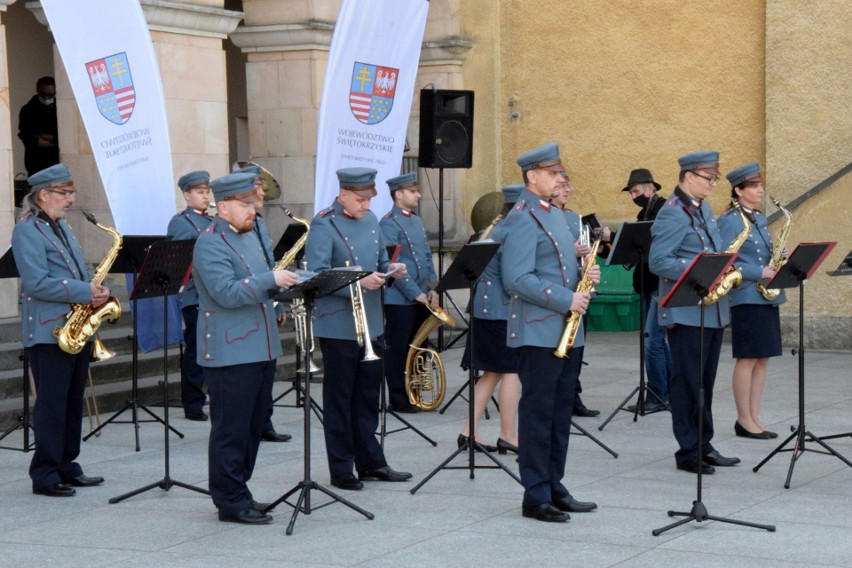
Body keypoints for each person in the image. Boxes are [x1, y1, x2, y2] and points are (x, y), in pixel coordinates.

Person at [193, 171, 301, 525]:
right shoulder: (209, 242)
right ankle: (229, 500)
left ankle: (241, 490)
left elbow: (262, 278)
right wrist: (271, 281)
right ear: (222, 207)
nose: (253, 210)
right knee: (232, 428)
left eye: (253, 204)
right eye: (245, 205)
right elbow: (226, 292)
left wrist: (279, 300)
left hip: (261, 345)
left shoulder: (252, 234)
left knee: (254, 424)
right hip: (230, 350)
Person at [501, 143, 599, 522]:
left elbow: (557, 267)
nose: (561, 179)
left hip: (567, 329)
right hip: (539, 331)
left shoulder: (555, 215)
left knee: (560, 413)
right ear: (533, 176)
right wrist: (565, 298)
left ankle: (555, 485)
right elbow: (517, 279)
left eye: (560, 173)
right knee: (539, 413)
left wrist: (584, 277)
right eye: (554, 173)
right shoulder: (522, 217)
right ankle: (535, 494)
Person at [304, 167, 412, 491]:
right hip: (338, 325)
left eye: (369, 198)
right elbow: (318, 275)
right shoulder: (324, 224)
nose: (366, 205)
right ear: (343, 195)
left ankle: (371, 462)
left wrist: (390, 271)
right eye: (360, 199)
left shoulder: (371, 222)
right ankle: (341, 468)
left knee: (367, 396)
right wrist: (356, 281)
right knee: (339, 399)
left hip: (372, 321)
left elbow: (379, 263)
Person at [12, 163, 107, 497]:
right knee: (51, 404)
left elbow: (74, 272)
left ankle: (67, 465)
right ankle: (45, 473)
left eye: (71, 193)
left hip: (75, 327)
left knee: (70, 403)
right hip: (48, 331)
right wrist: (83, 292)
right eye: (64, 193)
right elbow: (37, 283)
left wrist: (94, 290)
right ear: (43, 195)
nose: (71, 199)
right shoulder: (27, 229)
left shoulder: (62, 227)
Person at [649, 151, 740, 475]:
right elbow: (658, 261)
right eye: (709, 178)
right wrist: (699, 269)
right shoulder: (672, 214)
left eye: (715, 178)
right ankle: (688, 450)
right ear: (689, 177)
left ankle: (705, 443)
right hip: (686, 312)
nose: (714, 184)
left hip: (711, 311)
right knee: (687, 382)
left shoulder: (703, 210)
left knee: (704, 381)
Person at [718, 162, 785, 440]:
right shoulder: (728, 220)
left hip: (766, 295)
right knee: (747, 359)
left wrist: (781, 261)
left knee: (762, 359)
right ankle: (743, 419)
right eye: (754, 186)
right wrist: (759, 271)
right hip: (745, 296)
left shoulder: (758, 218)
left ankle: (755, 416)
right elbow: (724, 260)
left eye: (760, 185)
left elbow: (764, 254)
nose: (760, 190)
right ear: (738, 190)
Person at [458, 184, 523, 454]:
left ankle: (468, 432)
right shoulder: (511, 232)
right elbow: (513, 279)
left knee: (492, 373)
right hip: (501, 312)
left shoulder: (497, 228)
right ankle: (508, 435)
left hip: (488, 311)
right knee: (511, 371)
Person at [232, 163, 291, 443]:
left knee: (268, 367)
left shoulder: (260, 222)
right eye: (257, 186)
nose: (263, 191)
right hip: (245, 302)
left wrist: (278, 303)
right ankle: (252, 422)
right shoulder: (229, 230)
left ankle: (264, 421)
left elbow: (269, 264)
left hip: (265, 299)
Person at [379, 172, 438, 414]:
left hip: (422, 295)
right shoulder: (388, 224)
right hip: (400, 298)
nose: (418, 195)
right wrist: (416, 294)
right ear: (399, 194)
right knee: (399, 350)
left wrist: (433, 288)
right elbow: (391, 267)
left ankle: (415, 393)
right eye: (413, 191)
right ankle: (398, 398)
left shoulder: (416, 220)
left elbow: (426, 256)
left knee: (419, 347)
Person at [620, 168, 672, 413]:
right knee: (656, 341)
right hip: (646, 284)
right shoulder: (644, 212)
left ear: (650, 188)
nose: (634, 196)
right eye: (631, 192)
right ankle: (669, 391)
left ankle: (658, 395)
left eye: (636, 191)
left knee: (652, 341)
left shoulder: (663, 210)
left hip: (659, 285)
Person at [166, 170, 214, 421]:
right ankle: (193, 403)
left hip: (214, 295)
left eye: (207, 192)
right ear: (187, 195)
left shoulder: (212, 221)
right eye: (200, 193)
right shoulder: (181, 222)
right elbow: (177, 261)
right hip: (194, 296)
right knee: (196, 349)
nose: (205, 197)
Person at [551, 174, 600, 418]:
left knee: (578, 347)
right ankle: (561, 395)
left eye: (567, 185)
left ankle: (573, 394)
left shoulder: (573, 217)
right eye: (561, 186)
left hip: (580, 288)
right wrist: (570, 251)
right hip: (559, 293)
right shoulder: (547, 216)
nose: (567, 190)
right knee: (558, 346)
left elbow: (587, 252)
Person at [18, 76, 59, 176]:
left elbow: (66, 136)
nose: (46, 98)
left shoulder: (60, 108)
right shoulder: (28, 110)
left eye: (50, 95)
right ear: (38, 90)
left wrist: (47, 137)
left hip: (57, 162)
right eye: (43, 94)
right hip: (36, 163)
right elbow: (27, 137)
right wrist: (54, 141)